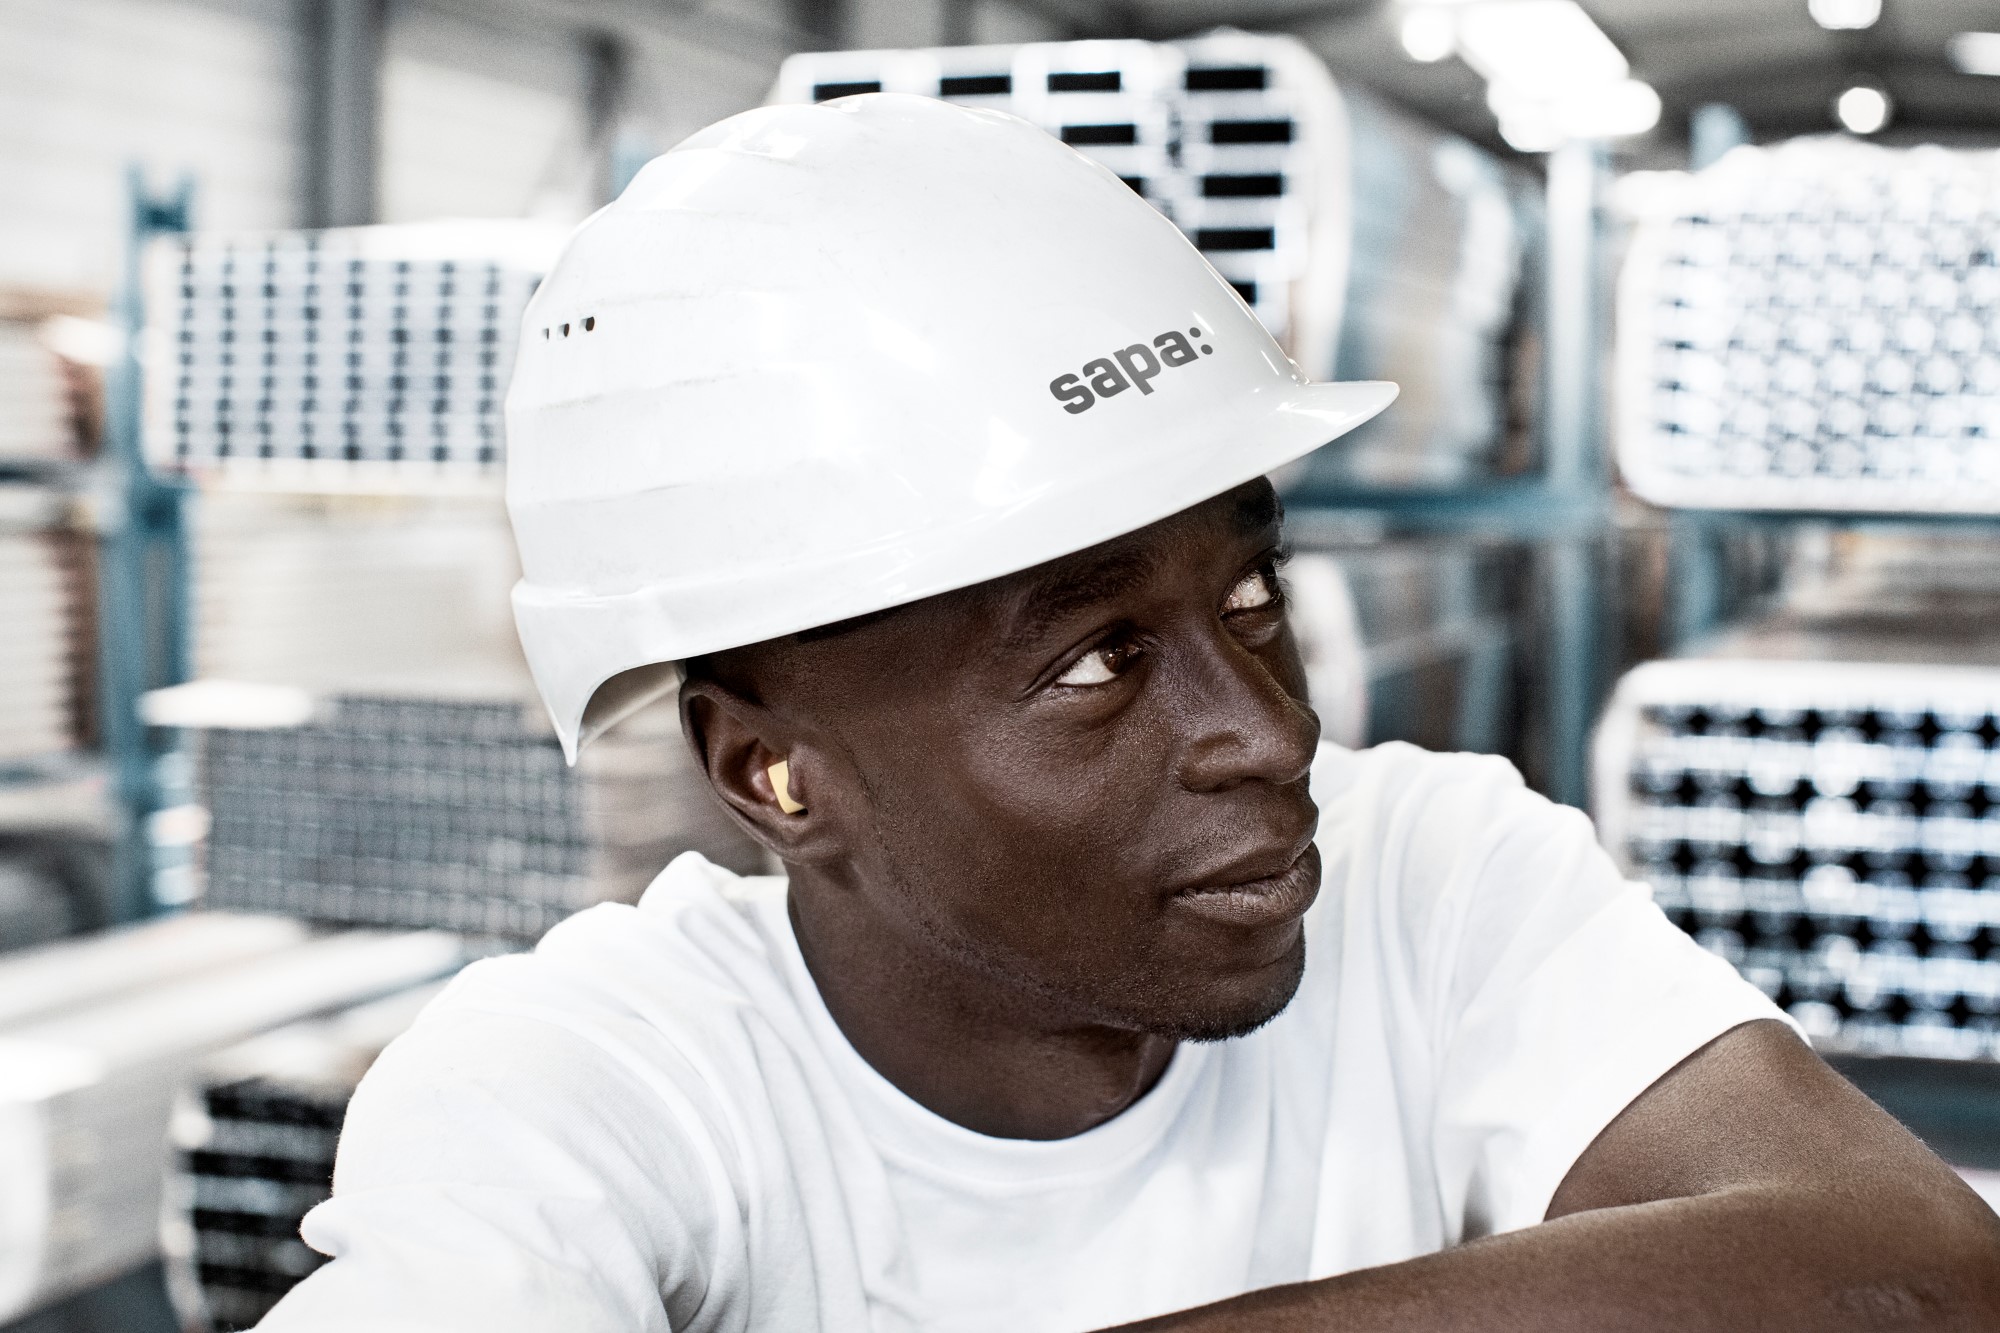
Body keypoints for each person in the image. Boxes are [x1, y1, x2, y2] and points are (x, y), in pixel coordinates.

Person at [258, 94, 2000, 1331]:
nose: (1266, 729)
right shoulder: (593, 1086)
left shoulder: (1433, 870)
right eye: (1093, 660)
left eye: (1252, 597)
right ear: (771, 771)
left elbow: (1913, 1267)